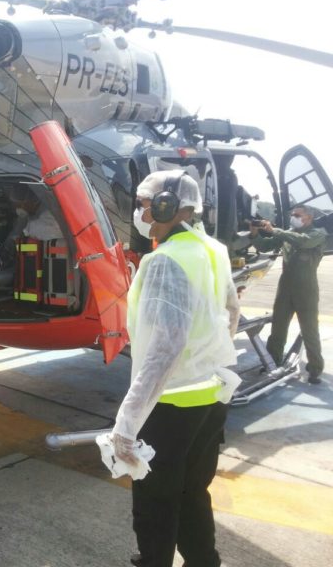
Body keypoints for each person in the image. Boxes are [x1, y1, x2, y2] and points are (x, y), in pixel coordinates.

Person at [112, 171, 241, 567]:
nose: (140, 212)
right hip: (211, 398)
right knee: (191, 491)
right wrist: (208, 357)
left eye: (145, 203)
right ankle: (204, 560)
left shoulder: (166, 260)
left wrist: (128, 421)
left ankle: (154, 561)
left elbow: (164, 351)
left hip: (171, 405)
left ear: (168, 205)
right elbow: (232, 311)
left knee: (155, 497)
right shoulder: (212, 248)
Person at [250, 204, 327, 384]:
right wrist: (255, 233)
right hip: (285, 287)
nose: (294, 217)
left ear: (308, 217)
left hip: (306, 289)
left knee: (309, 330)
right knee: (278, 327)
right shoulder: (288, 233)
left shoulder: (318, 233)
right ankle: (271, 362)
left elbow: (303, 241)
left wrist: (275, 230)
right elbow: (265, 245)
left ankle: (315, 369)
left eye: (297, 214)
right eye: (292, 214)